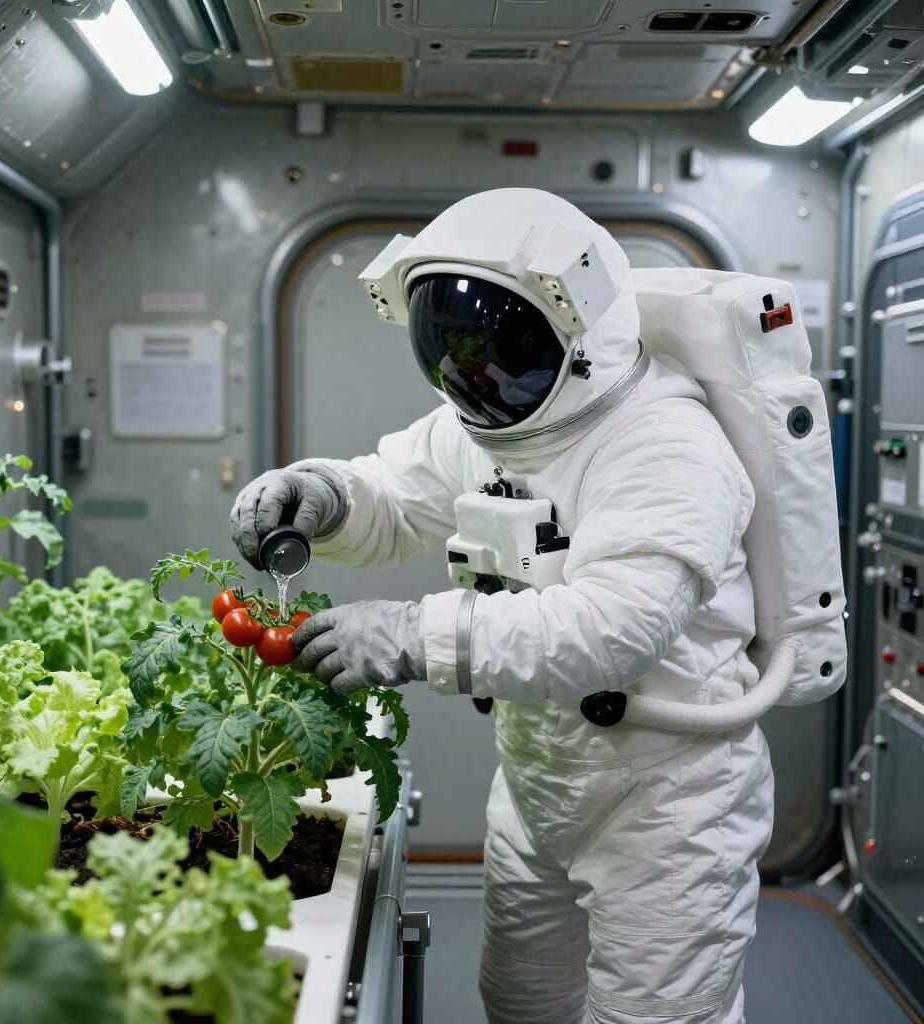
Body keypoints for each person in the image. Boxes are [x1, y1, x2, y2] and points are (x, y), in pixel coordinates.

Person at [231, 188, 773, 1024]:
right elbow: (394, 495)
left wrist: (416, 634)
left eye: (497, 347)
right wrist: (323, 495)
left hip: (667, 798)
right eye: (451, 348)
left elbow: (611, 628)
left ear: (575, 332)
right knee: (522, 1001)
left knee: (659, 1017)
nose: (472, 374)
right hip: (537, 776)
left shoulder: (667, 446)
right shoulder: (487, 422)